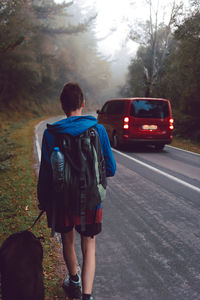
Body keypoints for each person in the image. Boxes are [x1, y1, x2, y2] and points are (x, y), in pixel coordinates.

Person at [37, 82, 116, 300]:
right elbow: (111, 169)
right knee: (89, 246)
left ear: (62, 105)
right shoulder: (98, 130)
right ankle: (87, 296)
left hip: (61, 201)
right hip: (90, 200)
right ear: (83, 103)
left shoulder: (50, 134)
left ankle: (74, 280)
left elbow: (45, 174)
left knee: (67, 240)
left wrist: (43, 201)